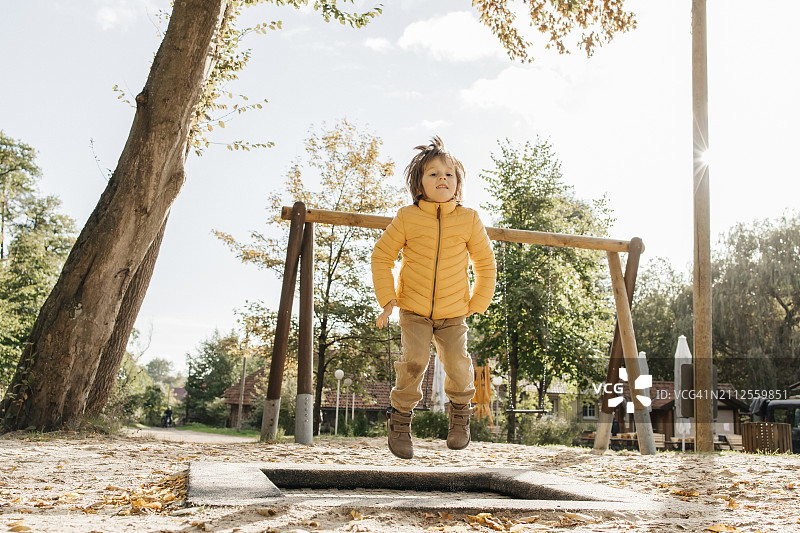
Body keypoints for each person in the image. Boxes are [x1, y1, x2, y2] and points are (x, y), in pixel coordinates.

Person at [371, 136, 496, 459]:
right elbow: (381, 256)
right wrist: (388, 299)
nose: (442, 178)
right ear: (419, 185)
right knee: (414, 362)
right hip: (413, 308)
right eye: (433, 174)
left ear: (458, 184)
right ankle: (400, 423)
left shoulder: (469, 219)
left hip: (454, 311)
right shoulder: (407, 218)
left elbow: (485, 262)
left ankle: (460, 416)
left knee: (457, 363)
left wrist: (478, 300)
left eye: (449, 174)